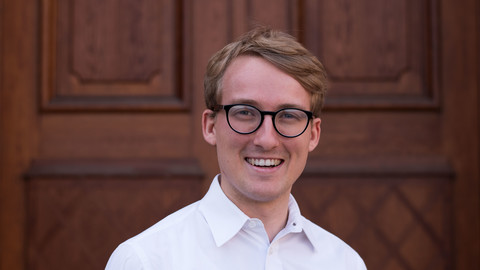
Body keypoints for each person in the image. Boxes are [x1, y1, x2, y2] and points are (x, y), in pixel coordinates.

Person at [106, 27, 366, 269]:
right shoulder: (145, 261)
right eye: (245, 112)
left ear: (313, 133)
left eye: (288, 115)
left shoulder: (344, 263)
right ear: (210, 126)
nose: (266, 140)